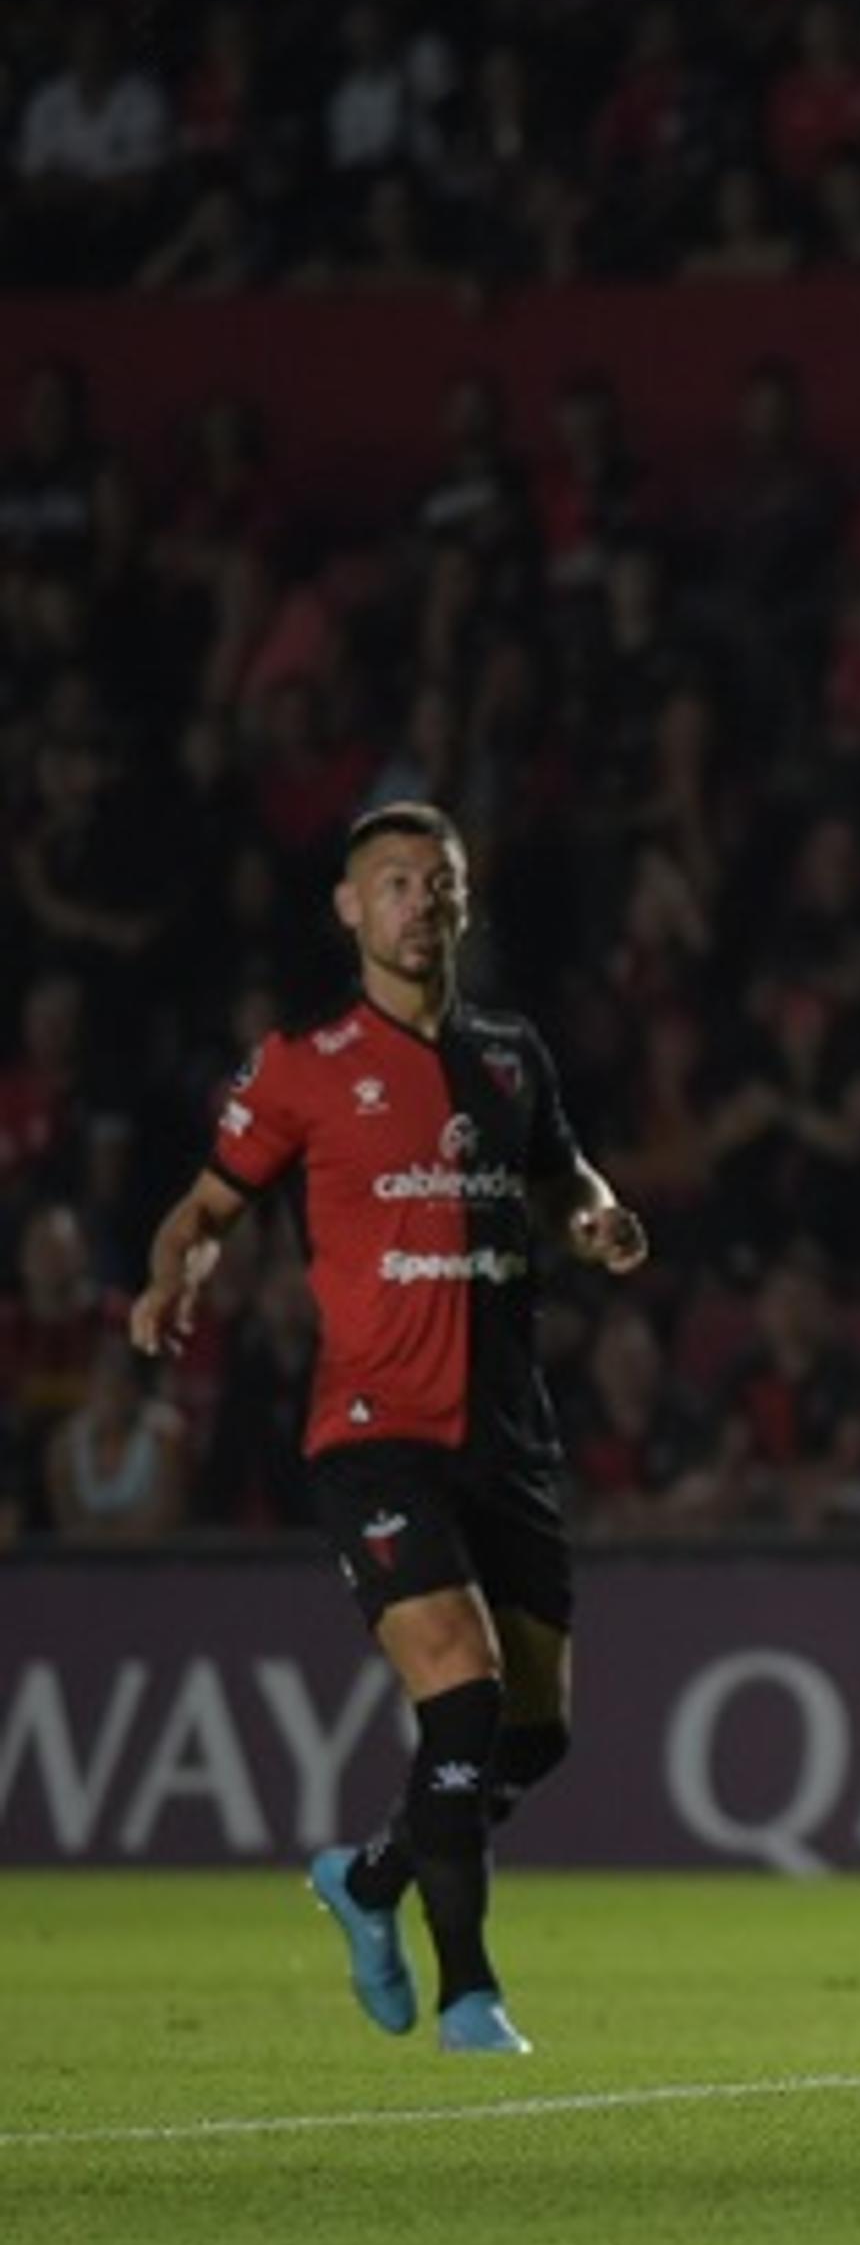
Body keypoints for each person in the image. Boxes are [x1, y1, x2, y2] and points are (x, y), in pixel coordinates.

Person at [131, 802, 649, 2055]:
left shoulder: (515, 1056)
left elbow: (566, 1175)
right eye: (396, 882)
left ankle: (368, 1882)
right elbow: (202, 1209)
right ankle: (470, 1990)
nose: (421, 900)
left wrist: (601, 1214)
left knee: (538, 1731)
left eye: (441, 881)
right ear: (352, 910)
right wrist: (171, 1275)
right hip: (374, 1432)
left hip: (507, 1434)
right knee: (462, 1699)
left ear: (465, 905)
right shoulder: (300, 1068)